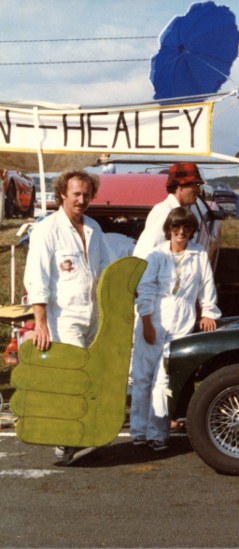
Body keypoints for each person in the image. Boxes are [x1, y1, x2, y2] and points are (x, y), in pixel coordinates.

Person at [24, 170, 111, 464]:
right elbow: (37, 278)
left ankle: (80, 433)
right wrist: (41, 323)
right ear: (62, 193)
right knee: (74, 377)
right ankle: (64, 441)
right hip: (64, 316)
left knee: (91, 377)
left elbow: (105, 273)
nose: (81, 200)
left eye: (86, 194)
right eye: (76, 194)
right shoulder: (46, 230)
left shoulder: (94, 229)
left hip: (93, 316)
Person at [130, 207, 220, 451]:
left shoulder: (198, 254)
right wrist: (147, 323)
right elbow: (145, 290)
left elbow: (206, 286)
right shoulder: (156, 256)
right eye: (176, 228)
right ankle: (138, 431)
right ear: (168, 230)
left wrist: (209, 312)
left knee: (164, 377)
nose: (181, 233)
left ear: (191, 231)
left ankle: (157, 433)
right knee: (143, 377)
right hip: (155, 317)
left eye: (186, 228)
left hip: (182, 319)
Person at [133, 162, 203, 258]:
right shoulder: (165, 212)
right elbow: (147, 252)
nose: (199, 190)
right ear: (180, 186)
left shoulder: (176, 210)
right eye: (196, 185)